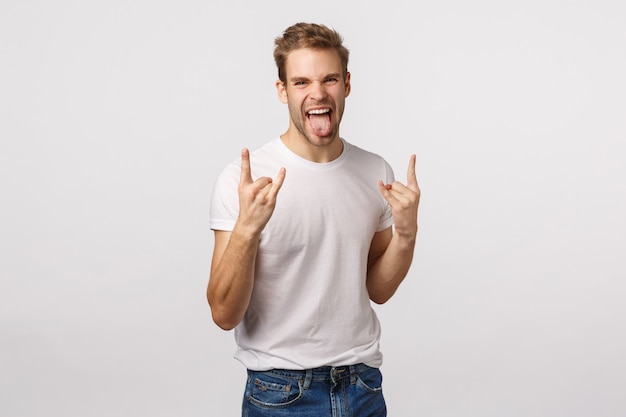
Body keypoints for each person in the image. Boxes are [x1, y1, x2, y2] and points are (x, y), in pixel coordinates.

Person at [207, 22, 420, 416]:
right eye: (302, 81)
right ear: (282, 90)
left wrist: (406, 236)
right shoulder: (245, 180)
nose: (318, 93)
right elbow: (223, 314)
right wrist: (247, 230)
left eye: (329, 79)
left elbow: (378, 289)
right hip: (280, 394)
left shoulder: (375, 171)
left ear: (347, 84)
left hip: (362, 387)